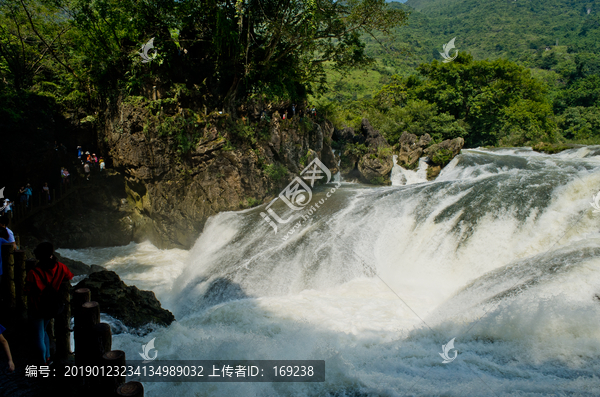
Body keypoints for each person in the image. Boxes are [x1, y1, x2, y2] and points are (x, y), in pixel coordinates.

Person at [25, 242, 74, 364]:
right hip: (52, 306)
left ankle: (42, 363)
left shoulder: (33, 273)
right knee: (45, 330)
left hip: (37, 308)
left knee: (38, 335)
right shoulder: (60, 267)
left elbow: (27, 290)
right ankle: (47, 357)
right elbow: (70, 276)